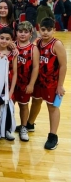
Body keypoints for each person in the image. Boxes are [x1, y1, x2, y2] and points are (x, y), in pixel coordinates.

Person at [28, 17, 67, 150]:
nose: (45, 32)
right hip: (39, 81)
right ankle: (30, 124)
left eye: (49, 30)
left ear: (54, 31)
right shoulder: (38, 42)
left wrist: (60, 85)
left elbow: (63, 66)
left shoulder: (57, 44)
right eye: (43, 30)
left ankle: (53, 136)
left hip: (52, 83)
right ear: (39, 29)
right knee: (36, 102)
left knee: (52, 107)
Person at [12, 21, 39, 142]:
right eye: (20, 31)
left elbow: (35, 67)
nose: (22, 34)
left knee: (23, 106)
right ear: (16, 32)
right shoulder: (11, 45)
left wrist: (31, 84)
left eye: (25, 32)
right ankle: (7, 126)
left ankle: (23, 127)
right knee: (9, 106)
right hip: (11, 82)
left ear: (30, 33)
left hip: (25, 83)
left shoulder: (34, 49)